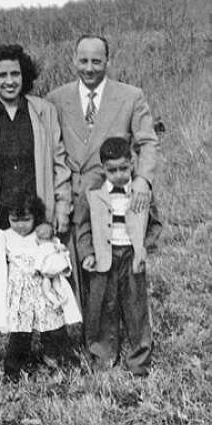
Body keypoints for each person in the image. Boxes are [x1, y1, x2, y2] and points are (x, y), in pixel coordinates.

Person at [0, 44, 71, 333]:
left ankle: (50, 342)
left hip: (39, 214)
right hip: (1, 220)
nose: (9, 81)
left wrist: (59, 209)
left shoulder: (43, 112)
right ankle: (15, 348)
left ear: (25, 76)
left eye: (15, 74)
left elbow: (60, 163)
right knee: (6, 282)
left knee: (44, 278)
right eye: (2, 75)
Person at [46, 34, 159, 312]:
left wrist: (143, 180)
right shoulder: (56, 99)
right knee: (78, 264)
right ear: (74, 60)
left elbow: (147, 142)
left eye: (96, 61)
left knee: (117, 267)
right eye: (83, 60)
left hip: (113, 198)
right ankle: (83, 331)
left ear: (107, 61)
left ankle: (120, 328)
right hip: (73, 197)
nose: (89, 68)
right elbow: (52, 149)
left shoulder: (131, 96)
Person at [75, 137, 162, 376]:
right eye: (112, 170)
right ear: (103, 168)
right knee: (104, 306)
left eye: (124, 168)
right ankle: (104, 357)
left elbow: (155, 224)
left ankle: (139, 361)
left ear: (132, 164)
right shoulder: (93, 194)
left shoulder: (141, 193)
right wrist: (87, 253)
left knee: (136, 308)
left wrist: (145, 247)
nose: (119, 174)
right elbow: (82, 227)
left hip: (131, 256)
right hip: (105, 257)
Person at [0, 189, 82, 382]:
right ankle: (14, 369)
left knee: (53, 327)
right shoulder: (5, 236)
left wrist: (55, 256)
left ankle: (60, 360)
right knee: (20, 331)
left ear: (35, 216)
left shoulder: (41, 235)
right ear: (7, 217)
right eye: (14, 220)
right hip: (20, 295)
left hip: (43, 290)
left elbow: (57, 256)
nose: (20, 226)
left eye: (26, 219)